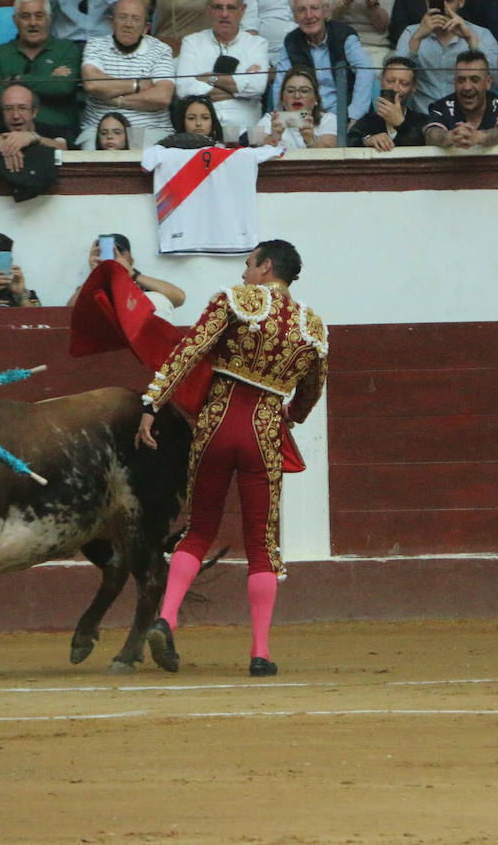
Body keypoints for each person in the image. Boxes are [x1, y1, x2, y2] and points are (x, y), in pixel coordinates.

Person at [138, 239, 328, 678]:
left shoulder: (235, 300)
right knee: (262, 545)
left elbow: (189, 352)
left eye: (248, 265)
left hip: (218, 423)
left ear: (265, 267)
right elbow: (311, 393)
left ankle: (167, 616)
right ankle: (260, 653)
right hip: (264, 432)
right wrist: (291, 417)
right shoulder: (312, 328)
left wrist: (152, 404)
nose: (244, 273)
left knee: (201, 526)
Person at [394, 0, 498, 113]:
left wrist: (472, 41)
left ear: (461, 1)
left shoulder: (481, 34)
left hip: (466, 118)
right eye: (437, 1)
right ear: (427, 2)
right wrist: (418, 38)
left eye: (449, 1)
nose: (444, 8)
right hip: (422, 119)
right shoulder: (411, 33)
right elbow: (396, 81)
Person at [174, 0, 271, 138]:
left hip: (246, 135)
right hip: (201, 136)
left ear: (242, 10)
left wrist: (210, 78)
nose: (224, 14)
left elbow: (257, 86)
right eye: (218, 7)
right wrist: (237, 90)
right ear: (208, 10)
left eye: (231, 8)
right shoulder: (191, 42)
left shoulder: (257, 44)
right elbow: (184, 90)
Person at [78, 0, 176, 149]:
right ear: (112, 22)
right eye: (123, 17)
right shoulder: (95, 45)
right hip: (100, 129)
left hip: (149, 129)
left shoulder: (160, 50)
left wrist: (115, 99)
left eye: (135, 19)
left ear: (146, 28)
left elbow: (162, 96)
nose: (128, 24)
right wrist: (137, 85)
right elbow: (92, 84)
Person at [0, 0, 79, 140]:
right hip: (9, 134)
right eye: (25, 17)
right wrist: (47, 79)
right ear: (15, 20)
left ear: (49, 20)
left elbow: (63, 87)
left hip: (59, 133)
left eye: (39, 16)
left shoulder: (66, 49)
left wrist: (15, 80)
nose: (33, 23)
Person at [271, 0, 374, 121]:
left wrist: (354, 115)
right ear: (294, 17)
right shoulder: (291, 41)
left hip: (344, 116)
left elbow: (365, 71)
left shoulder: (344, 36)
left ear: (325, 12)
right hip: (307, 118)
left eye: (314, 8)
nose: (309, 16)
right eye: (301, 10)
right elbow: (281, 83)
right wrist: (282, 118)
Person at [423, 49, 498, 147]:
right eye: (461, 80)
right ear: (454, 83)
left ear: (488, 82)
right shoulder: (441, 106)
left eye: (474, 80)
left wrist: (480, 137)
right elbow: (431, 136)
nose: (467, 87)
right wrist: (452, 137)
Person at [68, 233, 186, 310]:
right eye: (105, 253)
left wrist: (132, 274)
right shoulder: (93, 285)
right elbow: (70, 311)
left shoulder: (144, 285)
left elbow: (179, 298)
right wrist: (95, 273)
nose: (114, 257)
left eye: (119, 251)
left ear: (131, 260)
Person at [347, 53, 427, 148]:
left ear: (414, 87)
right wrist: (367, 141)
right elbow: (349, 141)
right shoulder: (368, 120)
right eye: (390, 81)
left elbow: (421, 143)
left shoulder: (422, 121)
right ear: (381, 81)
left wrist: (400, 124)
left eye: (404, 83)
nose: (395, 88)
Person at [0, 80, 68, 163]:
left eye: (22, 108)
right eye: (8, 108)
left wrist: (34, 138)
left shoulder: (52, 131)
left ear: (34, 112)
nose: (15, 116)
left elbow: (62, 147)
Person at [255, 64, 337, 146]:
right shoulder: (269, 118)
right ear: (282, 99)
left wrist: (310, 140)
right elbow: (252, 149)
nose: (297, 96)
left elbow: (329, 154)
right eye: (290, 91)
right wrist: (274, 137)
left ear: (316, 98)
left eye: (304, 91)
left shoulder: (329, 119)